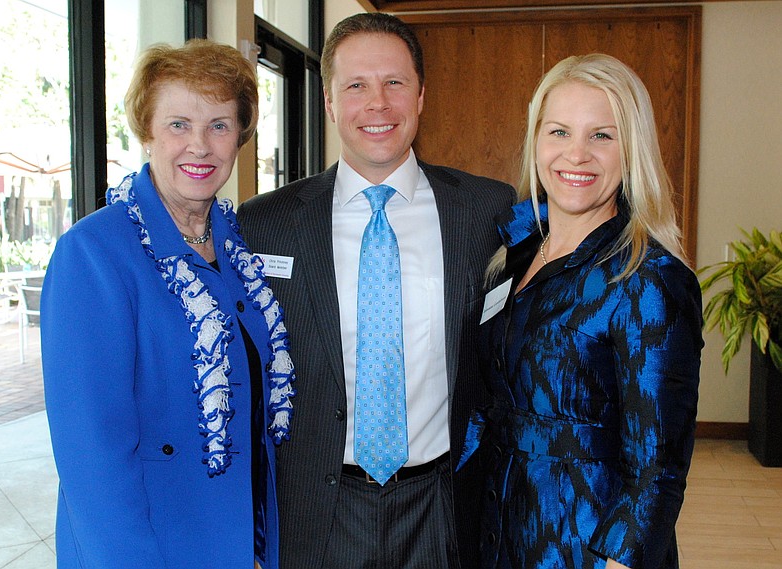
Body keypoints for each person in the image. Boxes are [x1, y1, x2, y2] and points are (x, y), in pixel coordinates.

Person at [237, 12, 515, 569]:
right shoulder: (264, 224)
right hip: (317, 507)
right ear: (330, 102)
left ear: (420, 96)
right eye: (357, 85)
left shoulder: (488, 212)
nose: (378, 104)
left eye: (394, 83)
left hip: (443, 504)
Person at [40, 39, 295, 569]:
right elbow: (93, 459)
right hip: (155, 546)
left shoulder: (235, 245)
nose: (199, 146)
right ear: (147, 131)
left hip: (239, 539)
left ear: (240, 138)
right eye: (179, 124)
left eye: (219, 125)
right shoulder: (94, 254)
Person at [479, 53, 703, 569]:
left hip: (585, 546)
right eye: (559, 132)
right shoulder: (511, 255)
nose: (575, 155)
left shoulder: (649, 279)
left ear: (632, 151)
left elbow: (658, 469)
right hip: (498, 530)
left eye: (601, 136)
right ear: (536, 141)